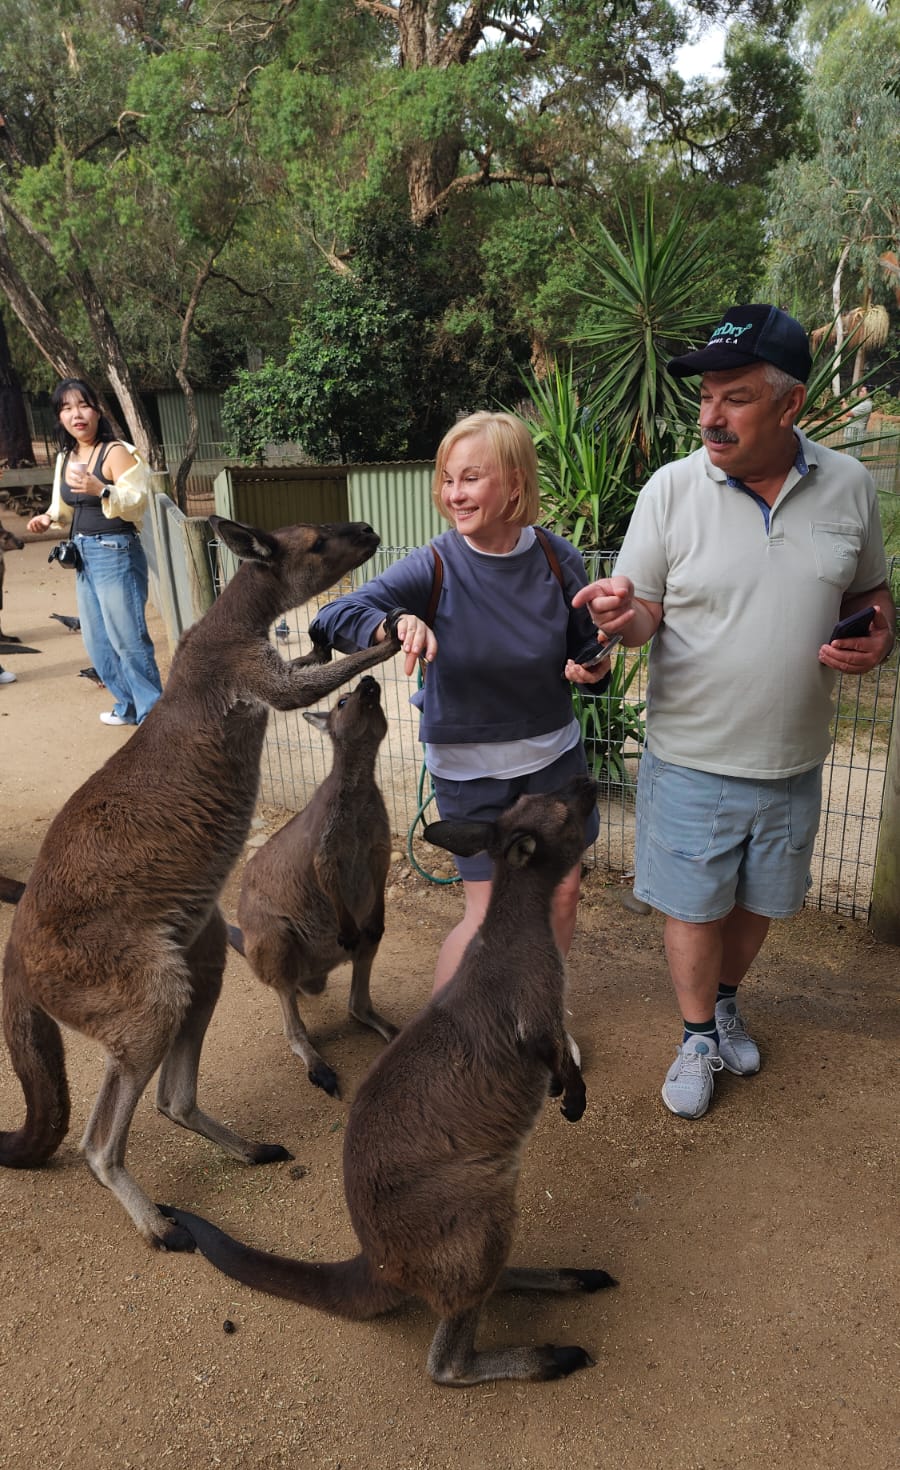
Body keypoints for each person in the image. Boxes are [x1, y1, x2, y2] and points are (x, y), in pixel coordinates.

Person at [568, 303, 896, 1120]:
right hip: (691, 754)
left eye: (736, 397)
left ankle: (721, 1002)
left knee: (761, 905)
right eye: (707, 395)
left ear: (790, 404)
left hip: (795, 755)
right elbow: (643, 613)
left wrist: (879, 640)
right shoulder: (672, 490)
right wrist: (618, 615)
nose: (711, 415)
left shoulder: (850, 487)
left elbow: (872, 597)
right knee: (692, 903)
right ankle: (693, 1035)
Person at [310, 410, 611, 996]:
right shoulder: (437, 563)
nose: (454, 493)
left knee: (563, 893)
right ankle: (447, 1040)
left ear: (516, 483)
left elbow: (587, 651)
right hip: (470, 776)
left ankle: (537, 1016)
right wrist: (397, 622)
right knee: (486, 914)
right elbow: (334, 615)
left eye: (471, 478)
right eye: (447, 479)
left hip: (552, 761)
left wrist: (595, 667)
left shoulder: (556, 557)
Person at [27, 379, 162, 727]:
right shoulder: (66, 457)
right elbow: (66, 508)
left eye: (83, 405)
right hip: (84, 555)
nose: (77, 415)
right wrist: (47, 517)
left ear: (97, 410)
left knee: (128, 639)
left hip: (116, 551)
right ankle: (127, 706)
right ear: (59, 417)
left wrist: (102, 489)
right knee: (98, 642)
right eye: (67, 408)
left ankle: (154, 716)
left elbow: (136, 502)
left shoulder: (116, 451)